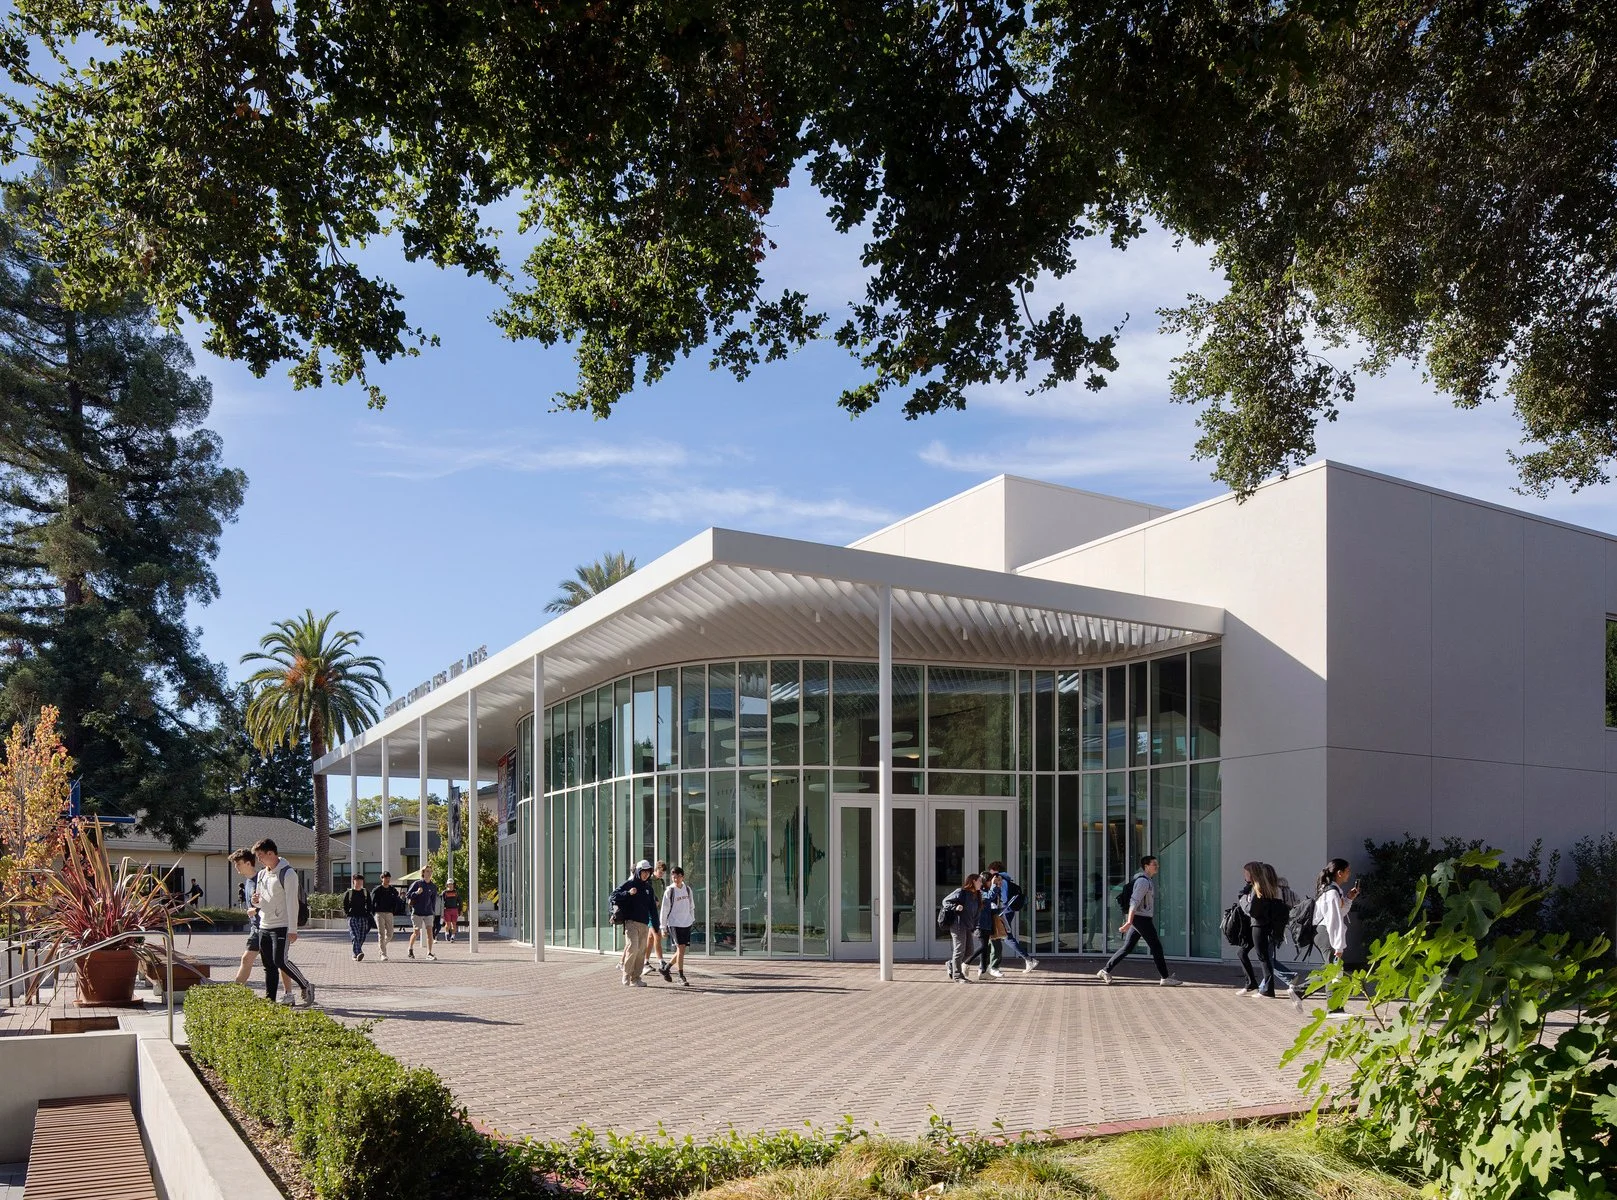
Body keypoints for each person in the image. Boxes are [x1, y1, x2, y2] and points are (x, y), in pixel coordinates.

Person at [1097, 855, 1182, 986]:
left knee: (1127, 947)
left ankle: (1105, 970)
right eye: (1154, 864)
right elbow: (1134, 902)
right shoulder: (1143, 882)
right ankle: (1165, 977)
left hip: (1140, 918)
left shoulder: (1146, 880)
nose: (1157, 866)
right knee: (1156, 947)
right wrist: (1129, 921)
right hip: (1141, 919)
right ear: (1146, 866)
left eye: (1156, 864)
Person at [251, 837, 315, 1006]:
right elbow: (259, 901)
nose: (258, 860)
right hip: (264, 924)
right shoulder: (262, 874)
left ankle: (305, 985)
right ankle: (270, 1000)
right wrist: (255, 900)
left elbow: (292, 902)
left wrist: (292, 929)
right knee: (269, 966)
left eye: (260, 856)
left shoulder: (288, 873)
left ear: (271, 853)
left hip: (282, 925)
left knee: (280, 961)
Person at [1293, 858, 1359, 1013]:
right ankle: (1334, 1009)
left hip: (1323, 932)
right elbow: (1334, 920)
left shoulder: (1333, 890)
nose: (1349, 874)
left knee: (1333, 968)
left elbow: (1339, 913)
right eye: (1348, 871)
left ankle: (1300, 991)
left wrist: (1349, 899)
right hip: (1326, 933)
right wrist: (1339, 945)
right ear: (1339, 873)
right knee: (1334, 969)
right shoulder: (1331, 893)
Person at [229, 848, 294, 994]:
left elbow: (273, 900)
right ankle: (235, 992)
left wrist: (256, 910)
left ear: (247, 863)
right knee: (247, 959)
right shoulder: (247, 882)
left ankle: (289, 993)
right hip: (256, 928)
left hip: (271, 926)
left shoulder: (262, 877)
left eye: (238, 864)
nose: (236, 867)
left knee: (280, 962)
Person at [1235, 862, 1286, 997]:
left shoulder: (1258, 889)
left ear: (1252, 874)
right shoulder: (1258, 887)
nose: (1244, 875)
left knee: (1263, 957)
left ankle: (1268, 989)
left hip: (1259, 925)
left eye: (1246, 873)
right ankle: (1253, 984)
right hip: (1261, 925)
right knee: (1247, 953)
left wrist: (1243, 900)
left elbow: (1253, 911)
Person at [983, 860, 1038, 972]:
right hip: (1008, 909)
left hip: (1004, 910)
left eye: (991, 872)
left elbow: (1000, 896)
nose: (991, 875)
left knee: (1005, 937)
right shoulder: (1007, 877)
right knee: (994, 936)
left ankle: (1028, 959)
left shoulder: (999, 878)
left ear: (995, 870)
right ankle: (986, 964)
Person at [611, 859, 658, 986]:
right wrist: (628, 893)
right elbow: (613, 896)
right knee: (633, 947)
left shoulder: (649, 888)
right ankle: (626, 974)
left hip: (644, 924)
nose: (646, 874)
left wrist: (656, 924)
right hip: (631, 922)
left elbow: (652, 908)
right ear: (638, 871)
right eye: (643, 871)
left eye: (648, 872)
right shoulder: (630, 883)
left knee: (641, 950)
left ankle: (636, 978)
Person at [939, 873, 983, 982]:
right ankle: (957, 976)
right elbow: (945, 901)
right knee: (959, 950)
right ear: (973, 881)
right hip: (958, 924)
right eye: (979, 881)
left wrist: (974, 928)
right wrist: (955, 907)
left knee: (969, 952)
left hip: (968, 926)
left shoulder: (977, 896)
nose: (981, 883)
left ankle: (951, 964)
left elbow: (976, 914)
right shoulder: (961, 892)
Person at [659, 865, 696, 985]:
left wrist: (691, 919)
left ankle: (666, 968)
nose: (676, 879)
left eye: (678, 877)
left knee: (682, 950)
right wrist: (663, 927)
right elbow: (664, 910)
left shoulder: (688, 889)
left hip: (686, 922)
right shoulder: (670, 891)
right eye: (674, 877)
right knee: (680, 949)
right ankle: (681, 976)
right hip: (674, 923)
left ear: (682, 877)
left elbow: (691, 906)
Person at [973, 872, 1005, 979]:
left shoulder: (990, 889)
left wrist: (997, 885)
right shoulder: (980, 891)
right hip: (981, 923)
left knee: (986, 947)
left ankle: (983, 970)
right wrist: (993, 885)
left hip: (989, 921)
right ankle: (964, 963)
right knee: (984, 947)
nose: (993, 883)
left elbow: (995, 900)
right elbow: (989, 898)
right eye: (990, 881)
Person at [405, 866, 439, 960]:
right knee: (416, 932)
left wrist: (433, 912)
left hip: (428, 912)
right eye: (427, 871)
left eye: (430, 871)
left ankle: (429, 953)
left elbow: (433, 900)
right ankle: (410, 948)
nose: (429, 873)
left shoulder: (433, 886)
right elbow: (408, 895)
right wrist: (416, 893)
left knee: (430, 932)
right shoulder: (417, 883)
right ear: (423, 873)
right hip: (417, 912)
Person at [371, 872, 403, 961]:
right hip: (379, 913)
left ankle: (381, 946)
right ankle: (383, 954)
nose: (387, 880)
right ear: (382, 879)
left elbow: (397, 900)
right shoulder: (377, 890)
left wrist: (394, 910)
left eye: (388, 878)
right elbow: (372, 901)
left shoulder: (393, 890)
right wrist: (373, 912)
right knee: (381, 933)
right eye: (385, 878)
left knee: (390, 933)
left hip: (389, 913)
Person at [647, 861, 671, 980]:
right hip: (650, 912)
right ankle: (661, 961)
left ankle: (645, 961)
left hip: (659, 912)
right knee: (657, 936)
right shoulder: (649, 880)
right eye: (660, 872)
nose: (661, 874)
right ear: (656, 870)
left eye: (663, 873)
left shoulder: (661, 882)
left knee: (650, 938)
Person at [342, 873, 373, 961]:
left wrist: (368, 913)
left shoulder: (365, 892)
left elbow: (369, 904)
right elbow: (345, 904)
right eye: (357, 881)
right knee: (355, 935)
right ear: (353, 882)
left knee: (362, 936)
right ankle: (359, 952)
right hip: (352, 917)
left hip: (363, 916)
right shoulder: (349, 892)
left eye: (360, 881)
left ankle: (355, 954)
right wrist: (347, 913)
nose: (359, 882)